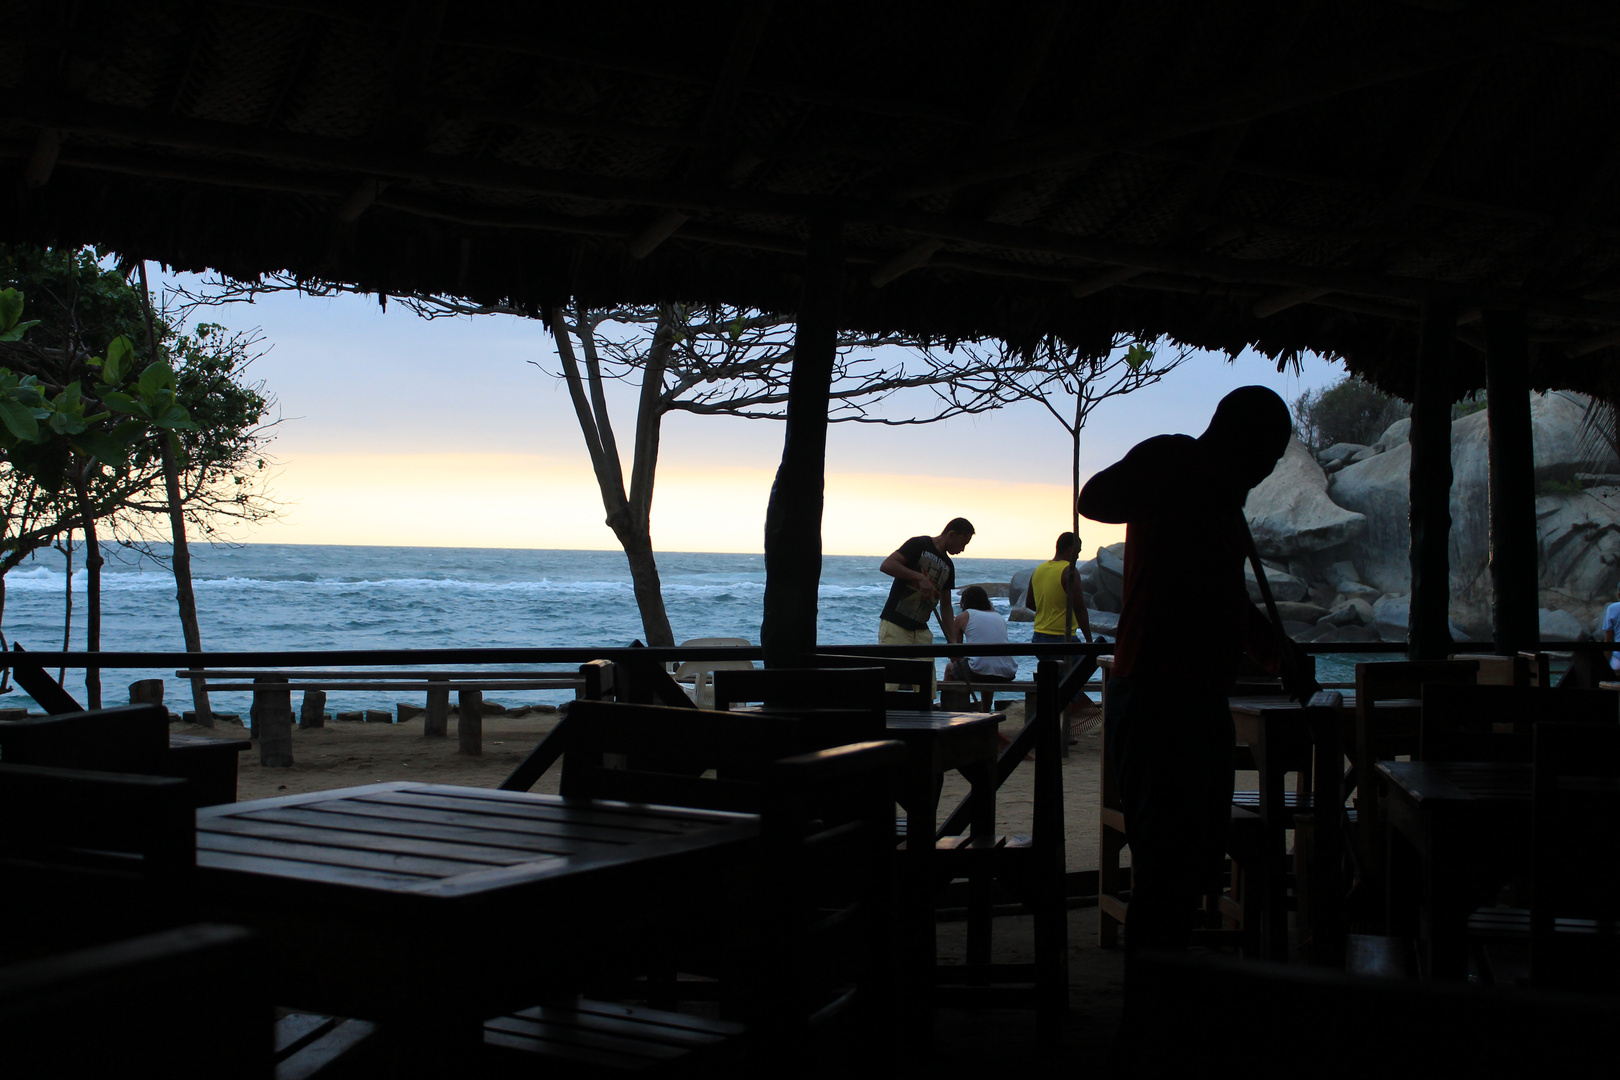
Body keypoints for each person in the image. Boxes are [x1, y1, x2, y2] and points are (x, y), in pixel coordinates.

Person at [1077, 385, 1308, 957]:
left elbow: (1229, 600)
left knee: (1192, 867)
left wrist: (1280, 656)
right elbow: (1094, 498)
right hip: (1157, 700)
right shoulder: (1176, 462)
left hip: (1202, 702)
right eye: (1265, 456)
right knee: (1164, 874)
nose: (1265, 471)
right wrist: (1182, 471)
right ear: (1240, 438)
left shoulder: (1224, 503)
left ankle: (1168, 1010)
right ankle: (1147, 1027)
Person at [879, 518, 974, 694]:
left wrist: (952, 641)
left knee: (927, 687)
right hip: (895, 623)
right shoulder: (919, 544)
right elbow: (887, 565)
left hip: (921, 628)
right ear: (952, 534)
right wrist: (919, 577)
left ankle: (926, 716)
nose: (962, 549)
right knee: (889, 683)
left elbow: (946, 607)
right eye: (963, 543)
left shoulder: (949, 566)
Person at [945, 585, 1018, 711]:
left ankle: (952, 710)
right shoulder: (998, 616)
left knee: (950, 669)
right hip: (1007, 672)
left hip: (979, 672)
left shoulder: (963, 616)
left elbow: (954, 657)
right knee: (984, 664)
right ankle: (985, 711)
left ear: (964, 602)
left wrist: (951, 629)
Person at [1029, 531, 1092, 659]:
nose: (1078, 557)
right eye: (1078, 552)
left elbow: (1029, 604)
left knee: (1055, 676)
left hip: (1038, 638)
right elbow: (1079, 608)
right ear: (1070, 550)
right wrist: (1090, 642)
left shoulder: (1038, 570)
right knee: (1084, 668)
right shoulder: (1069, 571)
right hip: (1061, 639)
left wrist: (1050, 611)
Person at [1603, 583, 1620, 674]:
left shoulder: (1613, 608)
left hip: (1617, 660)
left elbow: (1609, 638)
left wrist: (1606, 661)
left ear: (1618, 594)